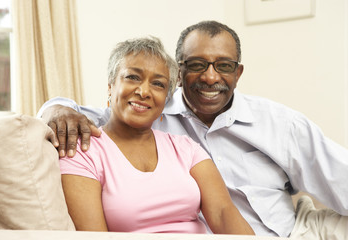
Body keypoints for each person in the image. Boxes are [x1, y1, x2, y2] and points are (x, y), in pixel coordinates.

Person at [39, 21, 348, 238]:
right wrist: (54, 106)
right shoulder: (139, 117)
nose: (211, 78)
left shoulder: (279, 124)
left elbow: (339, 178)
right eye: (197, 65)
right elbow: (81, 114)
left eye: (224, 66)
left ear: (238, 73)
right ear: (181, 74)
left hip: (296, 231)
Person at [58, 36, 254, 234]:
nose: (144, 92)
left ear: (166, 99)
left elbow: (222, 213)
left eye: (158, 84)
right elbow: (94, 236)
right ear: (110, 86)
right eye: (132, 77)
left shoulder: (187, 148)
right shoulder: (82, 152)